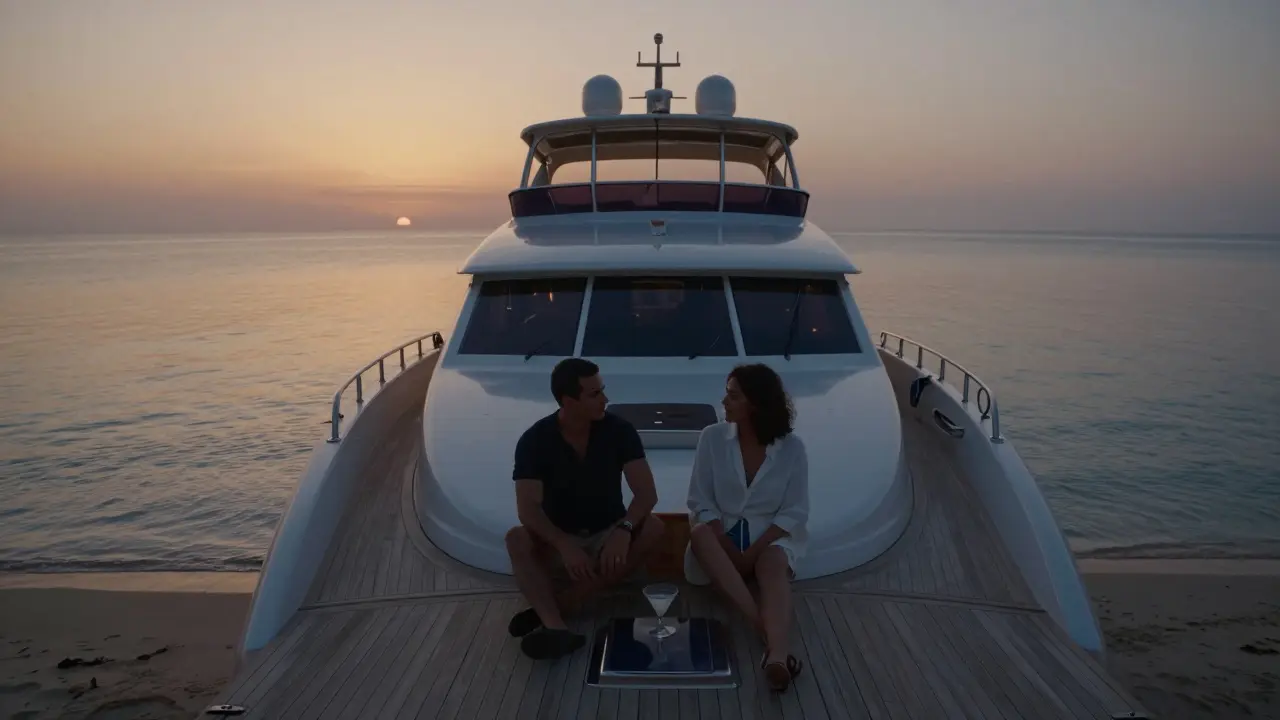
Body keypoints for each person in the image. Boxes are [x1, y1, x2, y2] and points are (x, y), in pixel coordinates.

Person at [504, 357, 665, 660]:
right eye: (595, 394)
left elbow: (646, 494)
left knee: (655, 527)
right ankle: (557, 628)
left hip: (608, 535)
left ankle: (559, 608)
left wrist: (624, 529)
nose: (605, 399)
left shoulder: (619, 431)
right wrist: (563, 544)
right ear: (568, 401)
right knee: (516, 539)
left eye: (602, 391)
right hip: (560, 540)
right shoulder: (535, 440)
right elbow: (527, 509)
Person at [685, 363, 809, 692]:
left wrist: (753, 552)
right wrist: (728, 547)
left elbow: (795, 510)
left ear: (755, 403)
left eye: (733, 396)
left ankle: (778, 658)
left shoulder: (792, 448)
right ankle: (763, 629)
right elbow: (700, 500)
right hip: (720, 535)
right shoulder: (711, 438)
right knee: (699, 532)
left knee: (773, 564)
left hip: (769, 536)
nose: (724, 402)